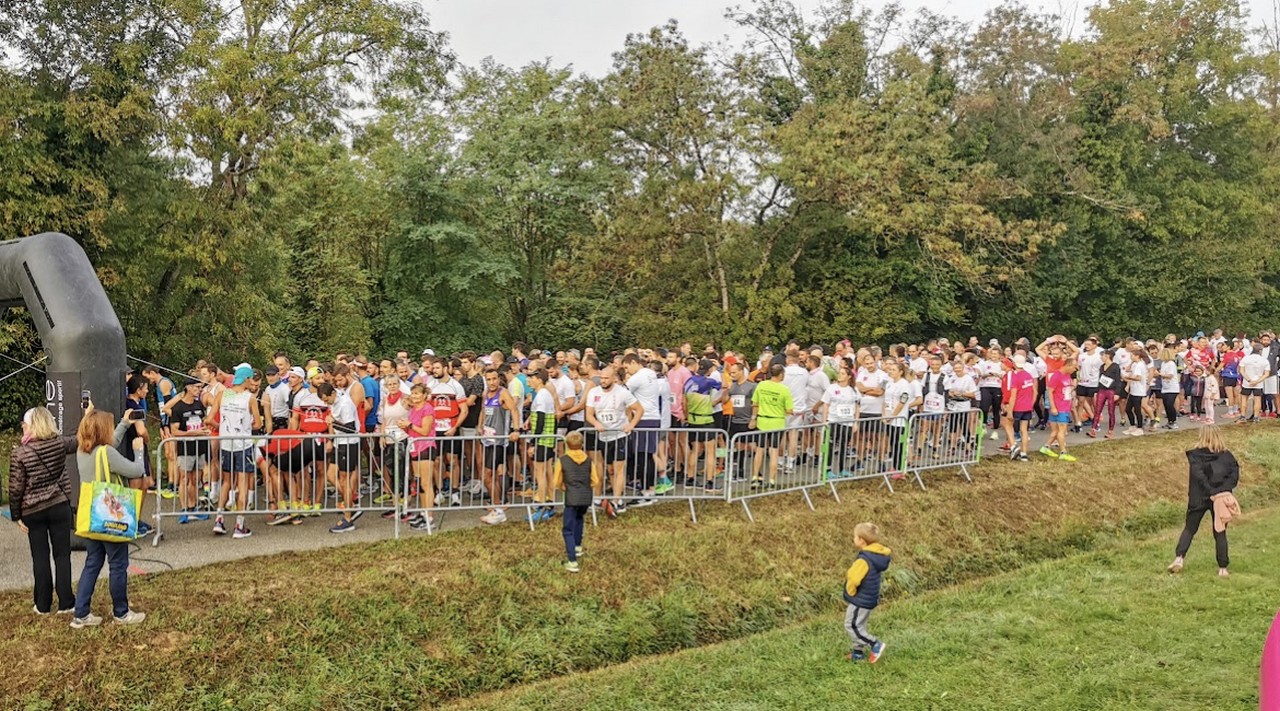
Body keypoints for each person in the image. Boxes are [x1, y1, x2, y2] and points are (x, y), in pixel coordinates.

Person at [72, 409, 147, 627]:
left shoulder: (82, 451)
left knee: (92, 563)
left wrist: (124, 423)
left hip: (92, 515)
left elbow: (108, 447)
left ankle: (81, 613)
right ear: (103, 429)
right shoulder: (107, 452)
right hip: (110, 515)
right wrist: (139, 451)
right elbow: (136, 470)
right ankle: (121, 613)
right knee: (118, 564)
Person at [9, 407, 78, 616]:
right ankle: (66, 601)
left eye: (24, 422)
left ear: (32, 425)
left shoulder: (20, 453)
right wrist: (87, 413)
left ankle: (43, 603)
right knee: (62, 555)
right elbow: (78, 440)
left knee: (40, 556)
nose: (22, 426)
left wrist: (16, 515)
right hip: (59, 505)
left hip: (33, 510)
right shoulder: (59, 444)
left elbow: (15, 488)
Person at [1168, 425, 1238, 578]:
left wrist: (1210, 491)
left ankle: (1179, 558)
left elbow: (1199, 476)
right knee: (1220, 531)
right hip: (1220, 499)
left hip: (1198, 497)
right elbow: (1234, 476)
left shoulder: (1195, 456)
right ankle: (1223, 568)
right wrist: (1220, 491)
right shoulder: (1227, 456)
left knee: (1190, 529)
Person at [842, 522, 891, 663]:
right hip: (870, 597)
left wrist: (850, 592)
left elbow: (853, 578)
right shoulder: (876, 556)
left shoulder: (863, 560)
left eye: (854, 537)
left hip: (860, 599)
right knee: (859, 624)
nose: (853, 539)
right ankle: (858, 654)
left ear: (862, 541)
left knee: (851, 625)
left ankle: (875, 644)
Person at [554, 431, 600, 573]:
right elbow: (595, 480)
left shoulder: (562, 460)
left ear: (567, 445)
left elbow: (557, 481)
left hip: (571, 497)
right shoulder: (588, 460)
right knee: (579, 519)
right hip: (586, 497)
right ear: (582, 444)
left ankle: (572, 560)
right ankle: (578, 547)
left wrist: (564, 487)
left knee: (567, 529)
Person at [1043, 360, 1078, 462]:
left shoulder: (1067, 375)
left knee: (1056, 431)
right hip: (1059, 406)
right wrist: (1053, 407)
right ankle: (1063, 452)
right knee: (1062, 430)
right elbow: (1050, 391)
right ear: (1068, 365)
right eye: (1074, 367)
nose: (1075, 370)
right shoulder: (1056, 376)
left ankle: (1046, 447)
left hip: (1065, 404)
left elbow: (1065, 389)